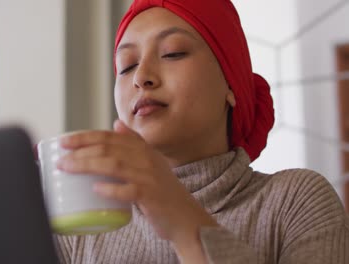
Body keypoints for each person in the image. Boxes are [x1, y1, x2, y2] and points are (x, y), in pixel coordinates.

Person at [54, 0, 349, 263]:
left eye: (173, 53)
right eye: (126, 66)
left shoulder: (295, 200)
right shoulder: (80, 229)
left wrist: (183, 220)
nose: (141, 77)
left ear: (232, 86)